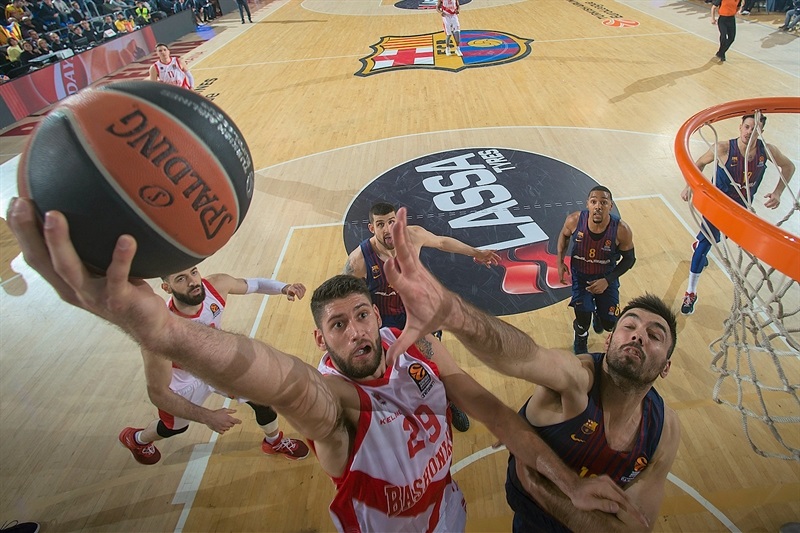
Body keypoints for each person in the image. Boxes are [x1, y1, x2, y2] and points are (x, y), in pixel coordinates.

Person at [7, 198, 645, 533]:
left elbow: (499, 415)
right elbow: (270, 374)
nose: (356, 330)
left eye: (362, 315)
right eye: (338, 325)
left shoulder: (419, 351)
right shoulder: (335, 403)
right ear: (323, 340)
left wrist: (566, 479)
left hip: (448, 514)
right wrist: (166, 332)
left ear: (378, 315)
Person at [365, 207, 679, 533]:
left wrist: (549, 489)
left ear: (667, 366)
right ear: (608, 339)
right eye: (630, 326)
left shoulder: (664, 431)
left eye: (654, 335)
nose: (639, 335)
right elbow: (524, 357)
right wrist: (454, 313)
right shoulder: (577, 381)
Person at [119, 266, 310, 464]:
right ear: (167, 288)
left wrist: (284, 287)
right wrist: (207, 417)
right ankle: (137, 439)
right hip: (183, 383)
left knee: (262, 399)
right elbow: (158, 394)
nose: (193, 281)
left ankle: (273, 441)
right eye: (181, 279)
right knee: (174, 428)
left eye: (193, 272)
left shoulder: (216, 286)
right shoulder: (160, 334)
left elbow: (255, 284)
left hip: (214, 365)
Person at [343, 201, 501, 432]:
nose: (388, 229)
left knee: (434, 365)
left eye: (391, 221)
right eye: (380, 224)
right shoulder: (358, 261)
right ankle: (401, 410)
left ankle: (449, 402)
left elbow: (442, 241)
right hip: (386, 324)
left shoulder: (412, 235)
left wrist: (476, 252)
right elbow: (345, 295)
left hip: (418, 315)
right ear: (371, 228)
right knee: (393, 373)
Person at [679, 114, 795, 315]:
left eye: (755, 129)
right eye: (747, 127)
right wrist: (690, 185)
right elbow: (698, 163)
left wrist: (777, 192)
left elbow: (789, 166)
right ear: (740, 127)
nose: (749, 132)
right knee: (706, 245)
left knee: (717, 239)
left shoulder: (766, 151)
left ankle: (700, 242)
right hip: (718, 207)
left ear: (760, 132)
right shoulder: (724, 148)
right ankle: (690, 292)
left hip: (741, 210)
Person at [557, 186, 635, 355]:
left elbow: (630, 259)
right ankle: (581, 336)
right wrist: (560, 261)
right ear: (588, 205)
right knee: (583, 320)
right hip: (581, 277)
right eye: (594, 202)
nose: (598, 206)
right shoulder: (574, 220)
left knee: (609, 324)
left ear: (611, 206)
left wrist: (607, 280)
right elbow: (564, 235)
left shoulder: (622, 230)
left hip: (606, 278)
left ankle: (600, 314)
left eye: (603, 202)